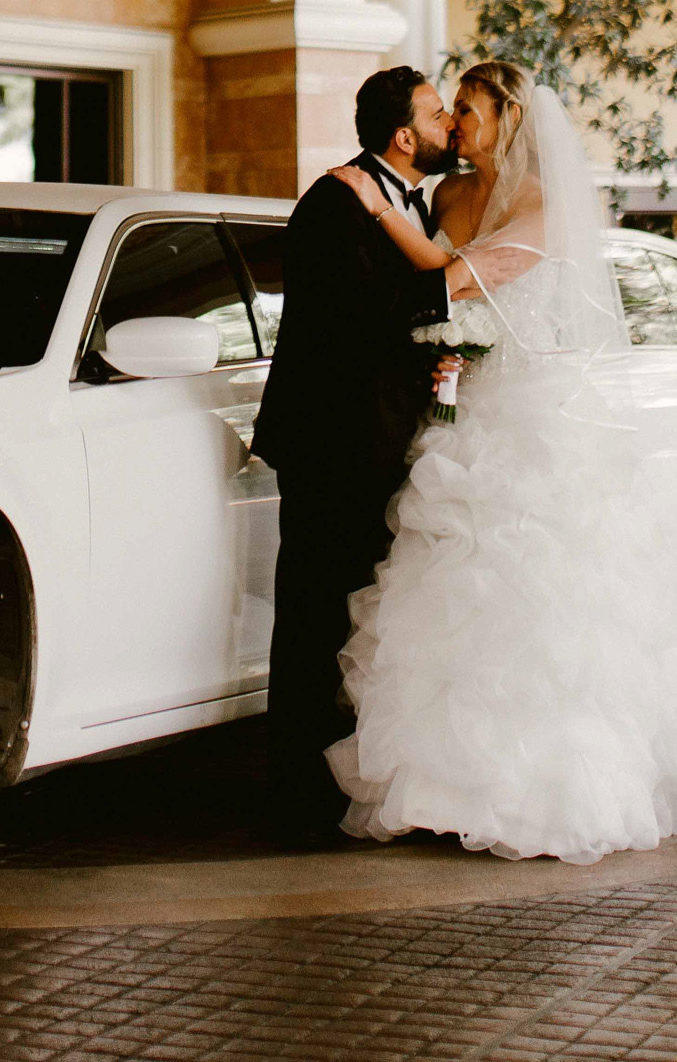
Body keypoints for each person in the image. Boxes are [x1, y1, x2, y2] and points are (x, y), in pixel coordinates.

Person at [326, 58, 677, 863]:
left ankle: (557, 787)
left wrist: (376, 207)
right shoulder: (448, 196)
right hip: (463, 420)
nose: (455, 124)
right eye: (448, 111)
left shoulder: (549, 208)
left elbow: (455, 279)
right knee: (456, 601)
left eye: (469, 111)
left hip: (534, 423)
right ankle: (448, 788)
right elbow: (430, 302)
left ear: (509, 118)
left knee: (544, 602)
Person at [251, 62, 470, 843]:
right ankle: (298, 795)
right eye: (439, 115)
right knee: (316, 616)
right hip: (332, 441)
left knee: (364, 614)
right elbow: (351, 320)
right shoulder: (336, 201)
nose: (451, 126)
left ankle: (353, 778)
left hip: (381, 437)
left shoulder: (410, 198)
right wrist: (451, 311)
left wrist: (439, 360)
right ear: (403, 135)